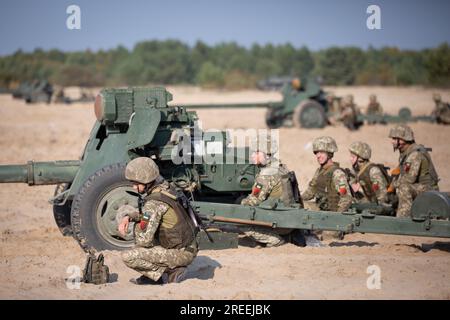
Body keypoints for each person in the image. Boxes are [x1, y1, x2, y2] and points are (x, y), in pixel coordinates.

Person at [116, 157, 198, 285]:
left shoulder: (154, 203)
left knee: (129, 256)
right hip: (188, 247)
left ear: (146, 181)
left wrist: (137, 225)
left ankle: (172, 271)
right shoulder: (165, 188)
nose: (133, 187)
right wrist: (129, 216)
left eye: (136, 183)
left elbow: (144, 239)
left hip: (180, 253)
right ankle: (154, 275)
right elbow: (151, 215)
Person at [240, 136, 303, 247]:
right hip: (290, 218)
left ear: (267, 154)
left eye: (257, 152)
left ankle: (276, 240)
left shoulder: (266, 175)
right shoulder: (281, 167)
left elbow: (254, 200)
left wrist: (240, 204)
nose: (252, 155)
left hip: (280, 223)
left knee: (240, 219)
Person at [302, 136, 353, 239]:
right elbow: (310, 192)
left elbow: (346, 199)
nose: (318, 156)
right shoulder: (319, 171)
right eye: (316, 152)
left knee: (326, 239)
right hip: (321, 211)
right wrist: (297, 201)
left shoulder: (337, 173)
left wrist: (336, 219)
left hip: (333, 216)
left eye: (321, 152)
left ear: (330, 153)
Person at [388, 124, 440, 217]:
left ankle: (403, 219)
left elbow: (408, 180)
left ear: (403, 139)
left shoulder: (414, 154)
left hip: (428, 189)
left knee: (404, 187)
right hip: (419, 187)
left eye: (395, 139)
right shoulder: (407, 152)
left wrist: (393, 185)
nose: (392, 142)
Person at [348, 141, 389, 206]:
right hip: (368, 203)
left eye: (353, 156)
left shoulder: (373, 171)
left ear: (360, 158)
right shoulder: (355, 170)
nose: (350, 159)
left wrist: (380, 209)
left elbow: (382, 195)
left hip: (378, 206)